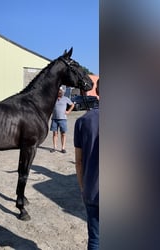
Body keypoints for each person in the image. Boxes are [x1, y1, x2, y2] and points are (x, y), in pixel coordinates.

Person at [74, 79, 99, 250]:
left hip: (92, 189)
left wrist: (83, 187)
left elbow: (79, 161)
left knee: (95, 239)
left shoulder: (83, 121)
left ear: (97, 92)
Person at [50, 87, 74, 153]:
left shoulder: (66, 99)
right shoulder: (53, 98)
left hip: (63, 119)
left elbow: (72, 105)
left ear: (63, 92)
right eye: (58, 91)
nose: (60, 92)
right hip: (54, 119)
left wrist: (68, 111)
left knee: (63, 133)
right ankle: (54, 147)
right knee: (55, 133)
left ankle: (63, 148)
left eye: (61, 91)